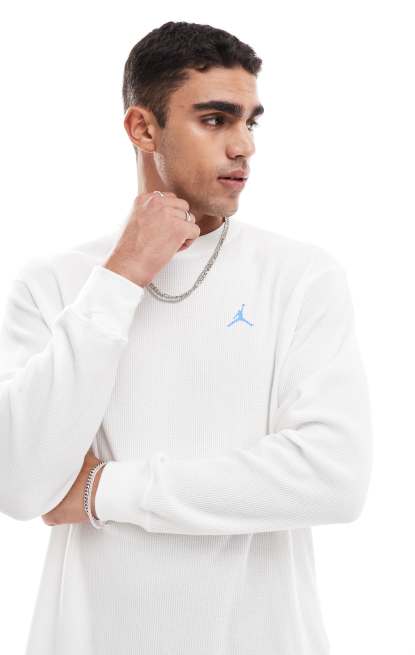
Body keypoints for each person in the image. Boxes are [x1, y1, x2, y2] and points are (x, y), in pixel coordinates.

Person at [0, 20, 373, 655]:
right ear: (143, 129)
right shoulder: (56, 282)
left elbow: (333, 477)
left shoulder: (300, 276)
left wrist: (98, 491)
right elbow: (18, 482)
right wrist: (121, 277)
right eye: (215, 120)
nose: (244, 146)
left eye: (250, 122)